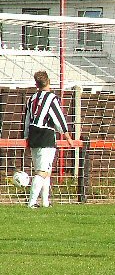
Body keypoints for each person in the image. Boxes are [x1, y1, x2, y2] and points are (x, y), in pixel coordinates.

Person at [23, 71, 77, 208]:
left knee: (46, 170)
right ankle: (31, 203)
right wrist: (67, 135)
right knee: (42, 172)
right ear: (49, 81)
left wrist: (26, 138)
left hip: (33, 135)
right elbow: (58, 118)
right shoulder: (52, 98)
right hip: (45, 134)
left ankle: (45, 202)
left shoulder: (31, 98)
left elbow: (26, 120)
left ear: (36, 84)